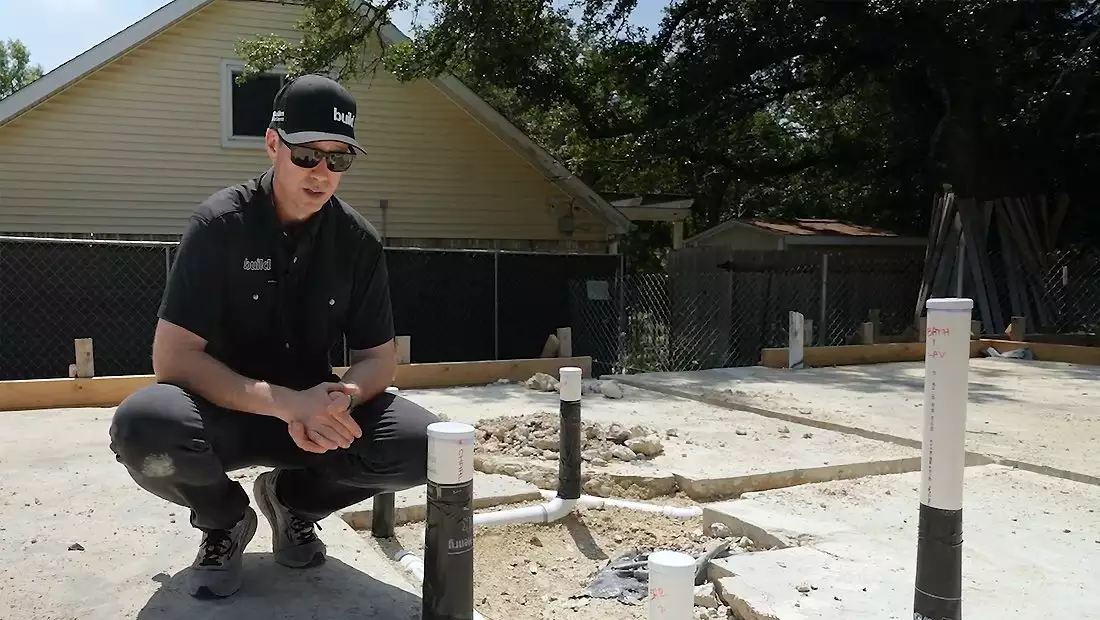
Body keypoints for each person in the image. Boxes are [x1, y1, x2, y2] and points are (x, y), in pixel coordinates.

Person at [108, 73, 440, 600]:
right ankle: (224, 520)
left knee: (427, 445)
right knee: (144, 426)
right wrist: (287, 404)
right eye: (307, 155)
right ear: (272, 144)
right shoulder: (219, 226)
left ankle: (293, 503)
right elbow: (172, 359)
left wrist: (340, 400)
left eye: (339, 159)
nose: (322, 173)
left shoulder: (357, 242)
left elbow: (379, 356)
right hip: (223, 415)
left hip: (313, 415)